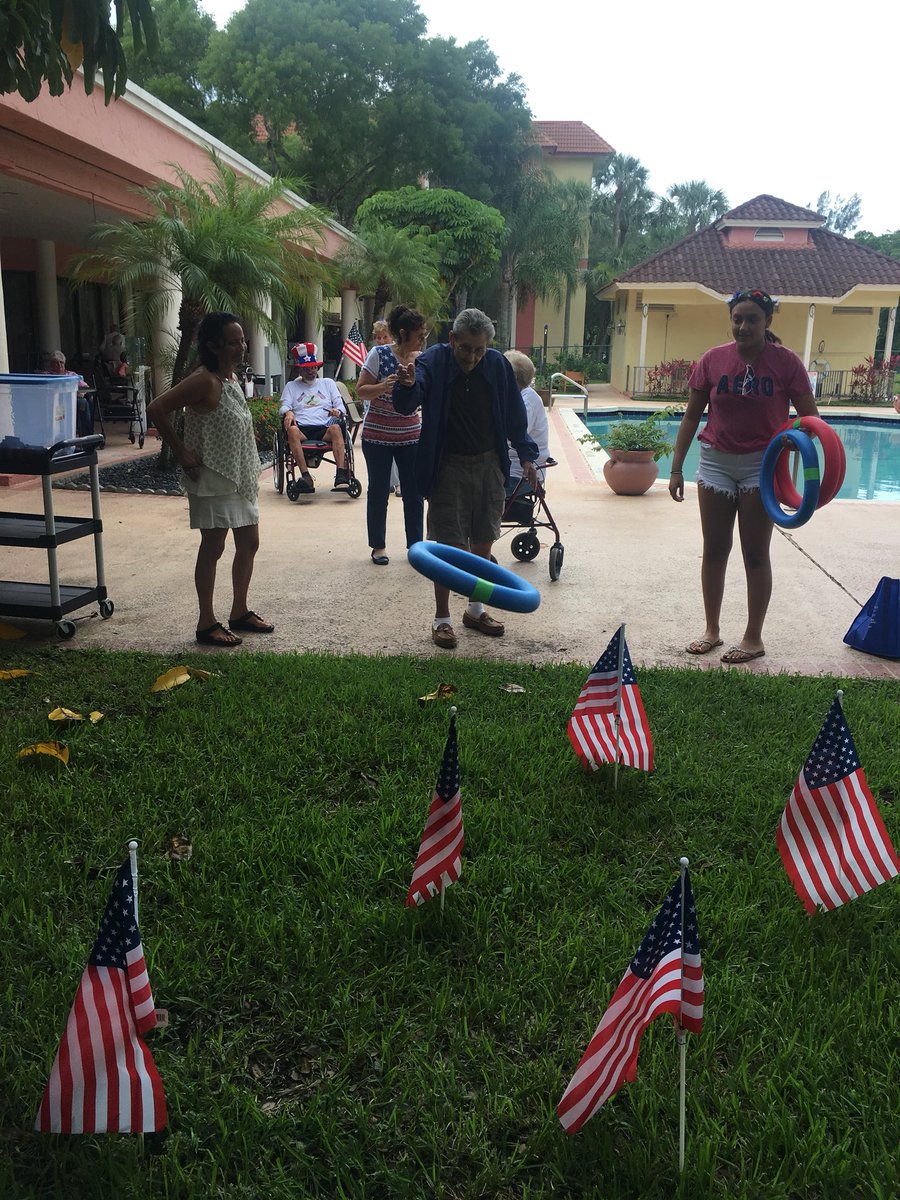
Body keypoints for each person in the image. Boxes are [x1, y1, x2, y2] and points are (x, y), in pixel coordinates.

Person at [668, 288, 818, 664]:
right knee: (714, 550)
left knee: (755, 554)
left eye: (752, 318)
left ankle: (753, 638)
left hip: (761, 464)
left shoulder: (786, 363)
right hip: (716, 460)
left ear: (767, 321)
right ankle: (711, 631)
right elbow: (691, 416)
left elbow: (810, 420)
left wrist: (793, 447)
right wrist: (675, 468)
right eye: (737, 318)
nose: (743, 326)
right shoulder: (713, 360)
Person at [393, 308, 539, 649]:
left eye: (479, 349)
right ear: (452, 339)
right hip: (448, 467)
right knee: (446, 546)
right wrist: (408, 385)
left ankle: (475, 609)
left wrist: (528, 456)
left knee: (484, 540)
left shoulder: (498, 365)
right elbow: (407, 402)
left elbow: (515, 417)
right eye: (466, 348)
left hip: (490, 466)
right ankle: (441, 618)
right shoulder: (434, 361)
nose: (472, 357)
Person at [146, 311, 273, 648]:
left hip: (240, 476)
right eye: (233, 342)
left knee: (250, 544)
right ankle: (206, 623)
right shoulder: (204, 379)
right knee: (213, 547)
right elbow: (157, 407)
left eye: (242, 340)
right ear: (214, 345)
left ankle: (240, 611)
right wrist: (181, 452)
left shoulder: (230, 379)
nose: (241, 347)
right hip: (213, 477)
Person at [356, 305, 427, 565]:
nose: (422, 339)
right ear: (403, 333)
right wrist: (382, 386)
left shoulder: (422, 359)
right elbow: (361, 390)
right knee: (378, 491)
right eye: (419, 334)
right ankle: (378, 546)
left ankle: (416, 547)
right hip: (377, 437)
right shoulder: (379, 354)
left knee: (414, 492)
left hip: (410, 435)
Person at [278, 343, 350, 494]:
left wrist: (337, 411)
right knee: (291, 430)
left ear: (317, 368)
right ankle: (305, 477)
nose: (310, 371)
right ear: (300, 369)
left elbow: (341, 406)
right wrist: (289, 412)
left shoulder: (328, 383)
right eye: (306, 368)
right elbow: (284, 406)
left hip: (324, 427)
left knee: (337, 428)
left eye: (313, 368)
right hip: (302, 429)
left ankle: (341, 475)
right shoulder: (291, 386)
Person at [503, 350, 551, 497]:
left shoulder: (527, 401)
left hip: (521, 476)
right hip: (515, 471)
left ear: (513, 377)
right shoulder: (518, 396)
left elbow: (515, 436)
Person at [41, 350, 93, 436]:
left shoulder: (71, 375)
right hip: (53, 403)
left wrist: (81, 393)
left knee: (84, 402)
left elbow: (85, 387)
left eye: (61, 362)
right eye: (56, 362)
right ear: (51, 364)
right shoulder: (46, 375)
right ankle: (62, 434)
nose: (59, 365)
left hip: (71, 401)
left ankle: (87, 436)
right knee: (61, 408)